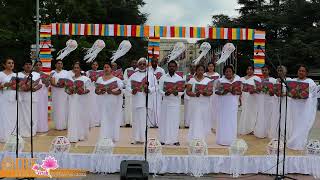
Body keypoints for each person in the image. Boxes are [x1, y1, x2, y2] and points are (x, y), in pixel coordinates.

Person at [127, 58, 157, 144]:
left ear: (147, 65)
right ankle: (135, 138)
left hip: (146, 101)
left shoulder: (151, 75)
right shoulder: (133, 75)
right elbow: (128, 86)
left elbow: (156, 86)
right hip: (137, 100)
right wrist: (131, 90)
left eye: (144, 64)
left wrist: (150, 90)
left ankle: (144, 139)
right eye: (140, 64)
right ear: (138, 65)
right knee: (136, 121)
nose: (142, 66)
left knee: (145, 121)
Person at [287, 65, 317, 150]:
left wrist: (305, 95)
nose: (300, 72)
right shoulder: (294, 81)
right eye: (299, 70)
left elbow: (313, 95)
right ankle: (292, 141)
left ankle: (300, 143)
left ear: (306, 73)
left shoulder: (310, 82)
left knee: (302, 124)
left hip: (304, 107)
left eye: (303, 71)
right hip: (294, 107)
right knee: (294, 123)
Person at [95, 62, 123, 142]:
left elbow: (119, 92)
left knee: (112, 118)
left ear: (111, 69)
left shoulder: (117, 80)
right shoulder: (100, 79)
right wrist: (100, 92)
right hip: (103, 102)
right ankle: (104, 136)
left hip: (113, 102)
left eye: (108, 67)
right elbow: (96, 91)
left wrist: (112, 92)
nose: (106, 69)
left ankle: (113, 136)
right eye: (105, 67)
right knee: (104, 118)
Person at [158, 60, 184, 146]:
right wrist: (165, 93)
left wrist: (178, 93)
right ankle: (163, 139)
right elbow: (159, 89)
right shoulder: (163, 78)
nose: (172, 68)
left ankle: (174, 139)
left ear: (176, 68)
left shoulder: (179, 78)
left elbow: (182, 91)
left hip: (175, 103)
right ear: (168, 67)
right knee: (164, 121)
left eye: (173, 66)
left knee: (175, 121)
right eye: (170, 66)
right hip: (166, 102)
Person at [215, 65, 241, 146]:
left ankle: (232, 139)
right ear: (224, 72)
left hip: (233, 103)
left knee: (232, 121)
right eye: (226, 71)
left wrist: (234, 92)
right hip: (223, 103)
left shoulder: (237, 80)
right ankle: (222, 140)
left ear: (233, 72)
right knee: (223, 120)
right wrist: (224, 92)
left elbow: (240, 92)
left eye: (230, 71)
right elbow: (216, 92)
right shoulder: (220, 80)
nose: (228, 73)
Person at [186, 64, 212, 141]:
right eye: (198, 70)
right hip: (195, 102)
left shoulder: (208, 80)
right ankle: (194, 137)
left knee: (203, 119)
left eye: (202, 70)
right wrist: (194, 94)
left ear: (204, 71)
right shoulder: (191, 80)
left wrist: (205, 93)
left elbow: (210, 92)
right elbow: (188, 92)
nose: (200, 72)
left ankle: (202, 138)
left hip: (204, 102)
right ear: (196, 71)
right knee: (195, 119)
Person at [66, 62, 91, 142]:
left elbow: (89, 89)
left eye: (77, 68)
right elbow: (66, 90)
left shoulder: (85, 79)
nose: (76, 69)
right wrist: (69, 91)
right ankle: (73, 136)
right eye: (75, 68)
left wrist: (82, 91)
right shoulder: (70, 79)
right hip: (72, 100)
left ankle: (81, 135)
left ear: (80, 69)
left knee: (81, 117)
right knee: (72, 117)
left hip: (82, 101)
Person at [18, 60, 42, 137]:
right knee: (22, 116)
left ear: (32, 66)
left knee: (33, 115)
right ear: (23, 66)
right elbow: (17, 86)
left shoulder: (36, 74)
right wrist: (24, 88)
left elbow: (40, 85)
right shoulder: (18, 75)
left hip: (33, 98)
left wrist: (35, 88)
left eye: (29, 64)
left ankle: (32, 132)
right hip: (22, 99)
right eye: (26, 64)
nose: (28, 66)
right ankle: (23, 132)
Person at [269, 66, 293, 139]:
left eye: (281, 70)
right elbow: (272, 93)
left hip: (285, 102)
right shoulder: (275, 81)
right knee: (276, 118)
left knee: (284, 118)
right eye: (278, 70)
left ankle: (284, 136)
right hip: (276, 102)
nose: (280, 72)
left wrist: (284, 94)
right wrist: (272, 92)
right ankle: (276, 135)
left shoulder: (289, 80)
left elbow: (292, 93)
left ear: (285, 72)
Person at [254, 65, 277, 138]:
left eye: (266, 70)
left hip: (270, 100)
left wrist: (271, 91)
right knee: (261, 115)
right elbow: (257, 91)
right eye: (263, 70)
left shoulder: (273, 80)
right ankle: (261, 131)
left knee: (269, 116)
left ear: (269, 71)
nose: (264, 71)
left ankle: (269, 132)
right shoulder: (259, 80)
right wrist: (258, 89)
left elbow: (275, 91)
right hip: (261, 99)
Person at [238, 65, 261, 135]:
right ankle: (245, 128)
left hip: (253, 98)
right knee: (245, 112)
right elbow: (239, 89)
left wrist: (254, 90)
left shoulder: (257, 78)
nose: (249, 70)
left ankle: (252, 129)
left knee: (252, 112)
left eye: (251, 69)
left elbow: (259, 89)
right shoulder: (241, 79)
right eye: (248, 69)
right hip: (244, 97)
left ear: (253, 70)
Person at [0, 57, 17, 142]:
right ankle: (4, 136)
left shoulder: (15, 75)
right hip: (3, 97)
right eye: (9, 63)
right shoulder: (1, 74)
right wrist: (4, 85)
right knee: (4, 116)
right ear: (4, 65)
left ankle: (12, 135)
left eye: (12, 63)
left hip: (13, 98)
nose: (11, 64)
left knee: (13, 116)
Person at [50, 60, 69, 130]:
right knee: (57, 108)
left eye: (61, 63)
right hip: (56, 92)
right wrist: (58, 85)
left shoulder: (66, 72)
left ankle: (65, 125)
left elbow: (68, 82)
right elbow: (52, 82)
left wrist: (64, 84)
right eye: (58, 63)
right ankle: (58, 125)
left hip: (64, 92)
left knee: (64, 108)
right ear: (55, 65)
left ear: (62, 65)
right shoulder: (52, 72)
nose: (60, 65)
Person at [148, 57, 165, 128]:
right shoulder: (148, 69)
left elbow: (164, 79)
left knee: (158, 107)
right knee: (150, 107)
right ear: (151, 62)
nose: (154, 63)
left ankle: (158, 123)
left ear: (157, 62)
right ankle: (151, 123)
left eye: (155, 62)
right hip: (150, 91)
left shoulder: (161, 70)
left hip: (158, 91)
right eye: (152, 62)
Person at [204, 62, 220, 132]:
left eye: (212, 66)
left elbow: (219, 85)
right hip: (207, 92)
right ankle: (206, 126)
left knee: (214, 109)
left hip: (214, 93)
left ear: (214, 67)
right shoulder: (204, 74)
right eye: (209, 66)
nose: (210, 67)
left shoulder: (217, 74)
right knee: (207, 108)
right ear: (207, 67)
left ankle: (214, 126)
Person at [34, 61, 49, 133]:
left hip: (43, 95)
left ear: (42, 66)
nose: (38, 66)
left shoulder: (45, 75)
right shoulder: (32, 74)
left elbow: (47, 85)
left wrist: (45, 80)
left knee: (42, 110)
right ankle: (35, 127)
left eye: (40, 65)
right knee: (35, 110)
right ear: (34, 66)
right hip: (35, 94)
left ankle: (42, 127)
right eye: (36, 65)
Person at [86, 61, 101, 127]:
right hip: (91, 89)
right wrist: (91, 78)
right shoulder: (88, 72)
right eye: (93, 64)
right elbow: (86, 81)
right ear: (91, 65)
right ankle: (90, 121)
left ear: (98, 66)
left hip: (97, 89)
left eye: (96, 65)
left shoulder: (101, 72)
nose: (95, 66)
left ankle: (97, 121)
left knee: (97, 104)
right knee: (91, 104)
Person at [123, 60, 137, 127]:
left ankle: (134, 121)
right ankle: (127, 121)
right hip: (128, 90)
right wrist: (131, 84)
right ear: (131, 63)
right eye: (133, 62)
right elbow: (125, 79)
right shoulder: (127, 70)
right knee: (128, 106)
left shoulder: (139, 70)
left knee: (134, 105)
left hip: (136, 90)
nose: (134, 64)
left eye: (135, 63)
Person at [183, 64, 196, 128]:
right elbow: (182, 85)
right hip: (187, 96)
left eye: (194, 67)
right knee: (187, 110)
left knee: (194, 110)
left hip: (195, 95)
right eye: (191, 67)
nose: (193, 68)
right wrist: (186, 84)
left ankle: (193, 123)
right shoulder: (185, 76)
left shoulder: (198, 76)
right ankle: (186, 124)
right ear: (189, 68)